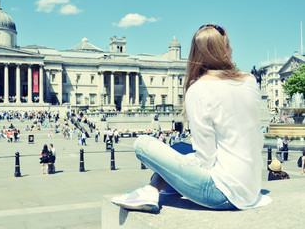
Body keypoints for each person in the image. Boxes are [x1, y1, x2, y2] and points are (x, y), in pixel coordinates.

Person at [111, 24, 271, 212]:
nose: (232, 49)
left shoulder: (199, 89)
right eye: (228, 45)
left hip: (221, 193)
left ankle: (150, 189)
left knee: (142, 144)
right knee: (179, 148)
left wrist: (177, 166)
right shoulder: (249, 80)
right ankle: (153, 190)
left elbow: (206, 159)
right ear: (221, 51)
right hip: (251, 187)